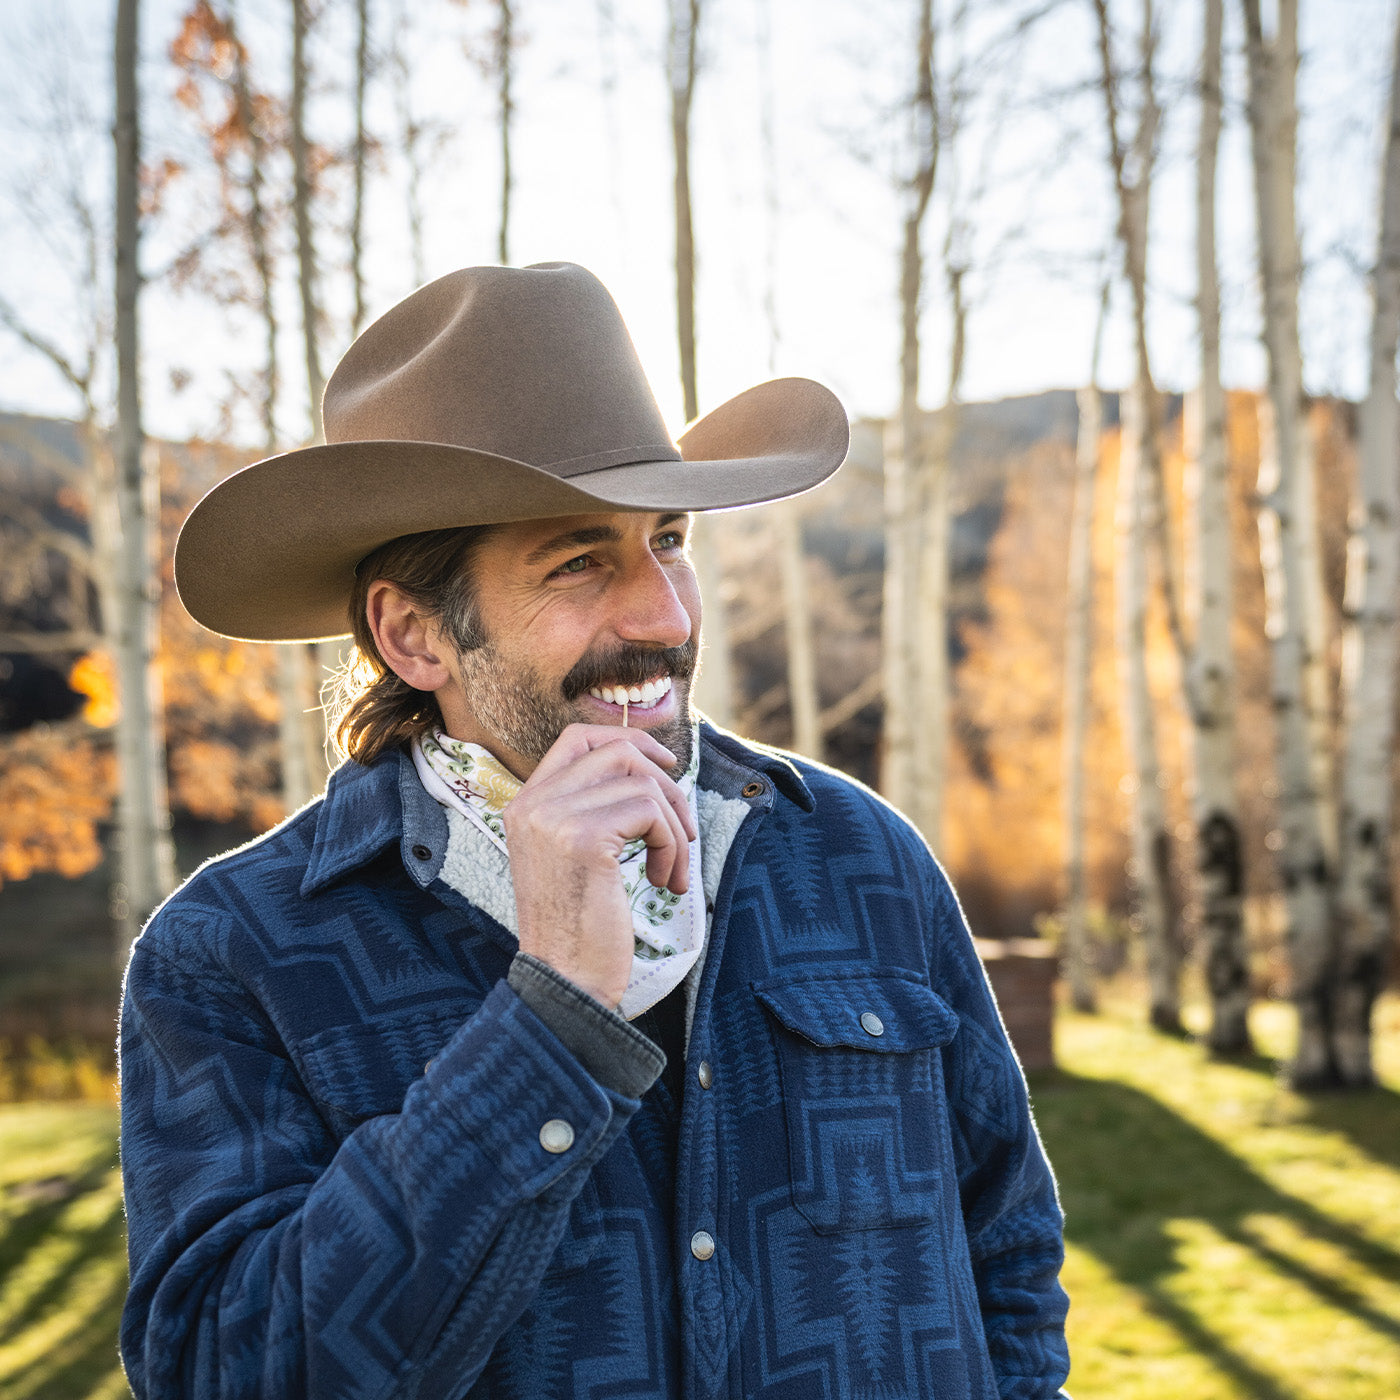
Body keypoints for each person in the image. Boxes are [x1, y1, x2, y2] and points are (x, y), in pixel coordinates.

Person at [119, 261, 1070, 1400]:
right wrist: (549, 1018)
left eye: (667, 539)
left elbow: (1006, 1263)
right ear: (415, 635)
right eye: (579, 561)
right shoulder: (229, 952)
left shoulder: (860, 857)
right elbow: (230, 1368)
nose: (663, 616)